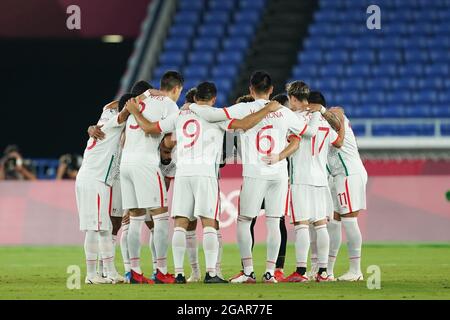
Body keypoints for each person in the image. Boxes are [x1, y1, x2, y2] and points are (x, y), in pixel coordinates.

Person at [125, 81, 283, 283]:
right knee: (209, 223)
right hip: (205, 173)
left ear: (195, 97)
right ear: (214, 99)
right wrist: (268, 108)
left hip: (183, 173)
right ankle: (211, 273)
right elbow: (244, 124)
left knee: (181, 223)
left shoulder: (180, 114)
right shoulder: (217, 115)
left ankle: (180, 274)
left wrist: (136, 113)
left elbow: (151, 130)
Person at [188, 71, 317, 283]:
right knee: (274, 222)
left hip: (255, 172)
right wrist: (318, 111)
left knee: (244, 220)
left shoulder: (243, 108)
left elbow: (211, 116)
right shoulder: (284, 112)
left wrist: (191, 106)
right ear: (271, 90)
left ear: (250, 89)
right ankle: (270, 272)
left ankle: (248, 271)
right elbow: (309, 133)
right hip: (279, 172)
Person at [119, 71, 182, 284]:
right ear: (176, 89)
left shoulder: (141, 98)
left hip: (125, 162)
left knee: (135, 218)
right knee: (161, 217)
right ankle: (161, 270)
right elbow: (154, 133)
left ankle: (134, 271)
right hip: (145, 162)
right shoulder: (170, 106)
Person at [277, 85, 343, 283]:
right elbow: (337, 138)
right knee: (321, 225)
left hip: (301, 179)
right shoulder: (323, 119)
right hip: (321, 179)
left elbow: (292, 142)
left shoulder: (294, 119)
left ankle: (301, 271)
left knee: (302, 226)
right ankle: (323, 271)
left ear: (292, 98)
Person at [75, 94, 131, 284]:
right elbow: (123, 113)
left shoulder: (102, 122)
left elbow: (111, 105)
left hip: (91, 180)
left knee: (99, 229)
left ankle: (103, 273)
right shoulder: (110, 125)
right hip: (94, 181)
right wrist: (145, 96)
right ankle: (95, 274)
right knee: (99, 229)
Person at [326, 106, 367, 281]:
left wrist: (321, 110)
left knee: (349, 221)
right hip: (337, 176)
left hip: (349, 174)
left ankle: (356, 270)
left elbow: (339, 112)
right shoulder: (313, 124)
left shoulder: (332, 114)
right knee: (333, 222)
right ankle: (327, 271)